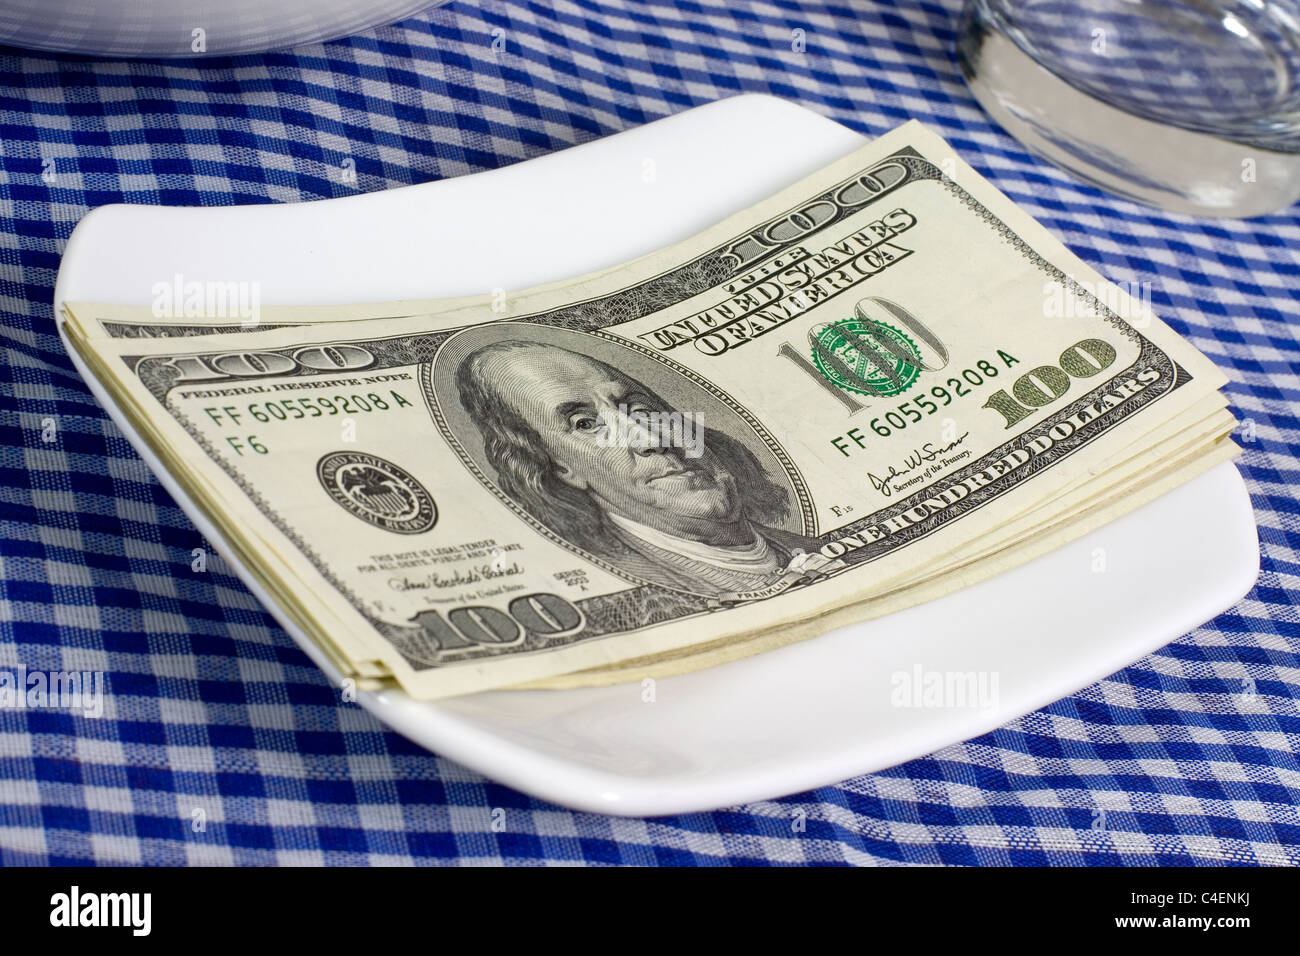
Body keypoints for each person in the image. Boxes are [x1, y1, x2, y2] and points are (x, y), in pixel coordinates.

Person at [456, 341, 839, 598]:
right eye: (587, 424)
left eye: (639, 409)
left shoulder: (809, 547)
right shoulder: (641, 590)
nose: (649, 438)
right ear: (558, 466)